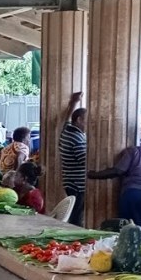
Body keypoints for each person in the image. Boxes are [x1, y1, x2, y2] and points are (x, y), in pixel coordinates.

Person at [87, 121, 141, 232]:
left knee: (127, 228)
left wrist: (93, 175)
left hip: (133, 194)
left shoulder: (134, 151)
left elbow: (117, 171)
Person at [58, 93, 87, 227]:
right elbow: (84, 161)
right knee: (76, 217)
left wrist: (74, 103)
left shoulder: (67, 131)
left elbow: (66, 120)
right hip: (77, 183)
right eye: (89, 120)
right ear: (80, 120)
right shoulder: (77, 138)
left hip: (69, 181)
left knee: (75, 212)